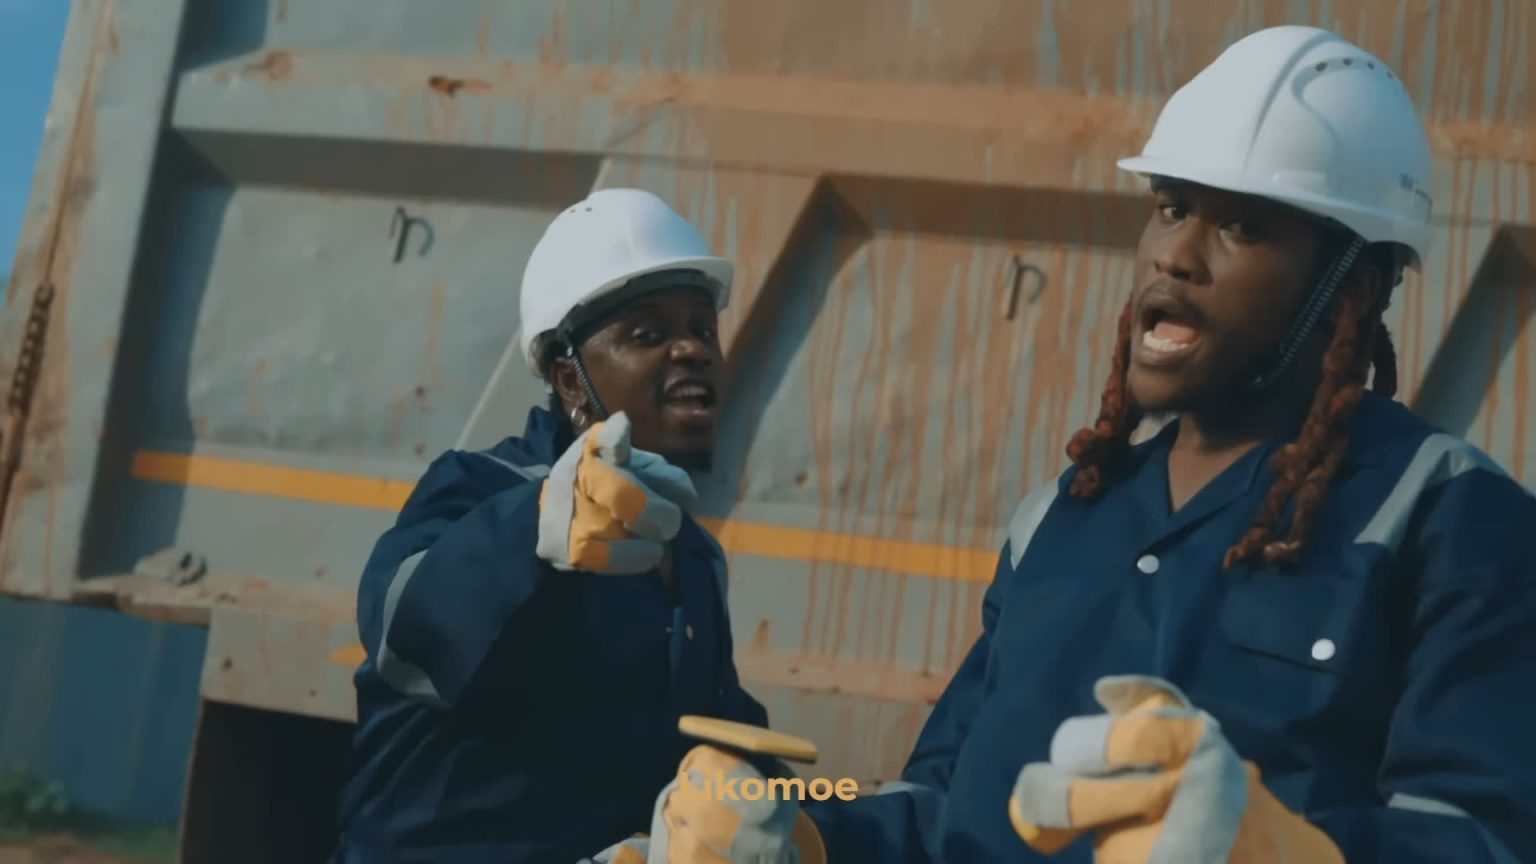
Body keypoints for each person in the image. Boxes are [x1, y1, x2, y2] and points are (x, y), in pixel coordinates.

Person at [639, 25, 1536, 863]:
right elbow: (946, 808)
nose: (1176, 255)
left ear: (1355, 287)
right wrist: (797, 834)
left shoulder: (1449, 522)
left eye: (1242, 226)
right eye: (1172, 207)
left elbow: (1485, 837)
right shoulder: (1060, 522)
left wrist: (1274, 847)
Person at [331, 188, 769, 863]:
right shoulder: (481, 489)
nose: (692, 349)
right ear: (569, 380)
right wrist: (531, 530)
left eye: (703, 329)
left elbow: (723, 748)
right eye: (650, 334)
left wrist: (806, 815)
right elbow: (401, 629)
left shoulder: (694, 559)